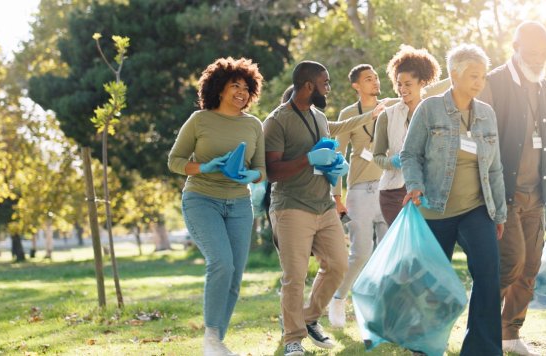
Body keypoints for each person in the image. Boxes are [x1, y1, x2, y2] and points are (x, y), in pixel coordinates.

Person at [477, 21, 546, 355]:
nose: (537, 59)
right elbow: (477, 137)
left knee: (532, 267)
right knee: (511, 263)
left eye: (543, 54)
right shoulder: (493, 83)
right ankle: (482, 328)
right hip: (503, 195)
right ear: (515, 48)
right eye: (531, 53)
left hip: (537, 194)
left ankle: (510, 334)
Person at [263, 60, 376, 356]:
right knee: (295, 275)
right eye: (325, 82)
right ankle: (293, 339)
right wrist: (308, 159)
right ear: (309, 85)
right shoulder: (277, 121)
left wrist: (332, 165)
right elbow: (271, 171)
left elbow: (325, 154)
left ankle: (309, 317)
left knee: (338, 265)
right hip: (291, 206)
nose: (329, 87)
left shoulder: (320, 117)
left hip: (323, 205)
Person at [401, 44, 506, 356]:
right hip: (435, 208)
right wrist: (415, 186)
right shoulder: (429, 109)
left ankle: (483, 349)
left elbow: (496, 167)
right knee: (432, 283)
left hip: (477, 208)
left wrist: (499, 213)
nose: (479, 82)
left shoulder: (487, 114)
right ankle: (425, 344)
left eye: (483, 76)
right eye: (473, 75)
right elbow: (409, 154)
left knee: (488, 274)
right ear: (454, 75)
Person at [167, 57, 266, 356]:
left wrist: (250, 175)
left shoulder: (254, 125)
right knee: (221, 262)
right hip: (202, 200)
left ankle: (215, 343)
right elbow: (175, 161)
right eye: (234, 85)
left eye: (246, 87)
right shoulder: (200, 120)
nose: (241, 91)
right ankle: (211, 337)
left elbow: (261, 169)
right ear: (219, 89)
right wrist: (206, 166)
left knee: (235, 276)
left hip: (238, 203)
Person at [328, 64, 390, 328]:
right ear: (356, 85)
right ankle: (339, 297)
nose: (375, 82)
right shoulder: (348, 114)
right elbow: (337, 157)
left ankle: (381, 311)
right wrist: (336, 196)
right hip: (360, 191)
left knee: (388, 254)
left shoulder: (391, 105)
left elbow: (424, 91)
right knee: (361, 253)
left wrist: (452, 80)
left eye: (376, 77)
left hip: (390, 188)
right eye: (368, 79)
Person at [374, 45, 441, 226]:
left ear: (422, 83)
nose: (402, 89)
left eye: (408, 84)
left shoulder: (435, 114)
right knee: (403, 250)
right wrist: (392, 162)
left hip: (426, 191)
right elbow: (377, 156)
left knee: (424, 249)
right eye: (399, 84)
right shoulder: (386, 116)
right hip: (393, 194)